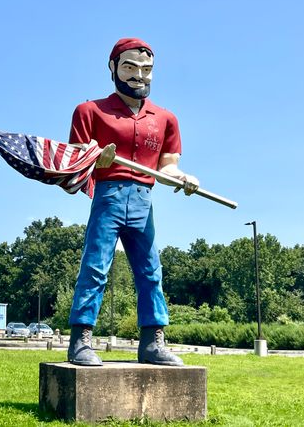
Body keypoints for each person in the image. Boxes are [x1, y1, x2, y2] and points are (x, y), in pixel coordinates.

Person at [67, 38, 199, 366]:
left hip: (143, 199)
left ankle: (153, 340)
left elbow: (167, 167)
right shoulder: (90, 111)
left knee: (151, 270)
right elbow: (75, 163)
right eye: (129, 67)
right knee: (96, 266)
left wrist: (182, 178)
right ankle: (81, 339)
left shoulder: (165, 119)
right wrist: (97, 159)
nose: (138, 75)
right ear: (112, 67)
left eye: (146, 69)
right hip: (108, 196)